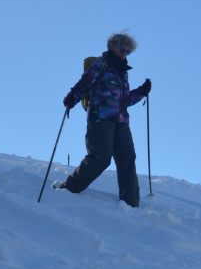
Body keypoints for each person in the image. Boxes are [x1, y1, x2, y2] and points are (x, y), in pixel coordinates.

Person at [54, 32, 152, 207]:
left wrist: (141, 92)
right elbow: (83, 85)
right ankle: (69, 189)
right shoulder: (99, 65)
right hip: (100, 118)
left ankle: (131, 204)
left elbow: (124, 100)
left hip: (121, 121)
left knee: (127, 157)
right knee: (101, 158)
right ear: (112, 47)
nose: (125, 54)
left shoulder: (123, 73)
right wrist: (71, 99)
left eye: (128, 52)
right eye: (123, 50)